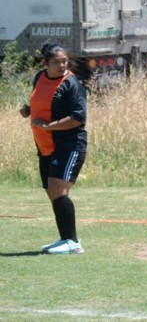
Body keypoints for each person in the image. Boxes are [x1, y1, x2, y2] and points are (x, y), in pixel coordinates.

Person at [19, 41, 88, 254]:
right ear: (45, 63)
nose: (62, 65)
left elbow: (78, 117)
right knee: (52, 192)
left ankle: (73, 242)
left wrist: (50, 126)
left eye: (64, 61)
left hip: (69, 143)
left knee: (58, 189)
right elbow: (44, 101)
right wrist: (28, 110)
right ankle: (64, 239)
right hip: (45, 145)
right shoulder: (39, 77)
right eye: (56, 62)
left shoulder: (71, 83)